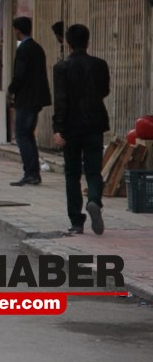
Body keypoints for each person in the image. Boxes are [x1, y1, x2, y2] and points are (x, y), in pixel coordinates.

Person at [52, 24, 110, 236]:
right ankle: (94, 200)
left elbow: (61, 100)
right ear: (87, 42)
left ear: (67, 44)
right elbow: (104, 91)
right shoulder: (100, 65)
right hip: (95, 124)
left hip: (70, 126)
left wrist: (57, 128)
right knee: (93, 170)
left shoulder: (61, 68)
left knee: (72, 173)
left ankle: (76, 221)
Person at [7, 16, 52, 187]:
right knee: (28, 135)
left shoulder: (24, 49)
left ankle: (30, 173)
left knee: (22, 136)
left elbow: (20, 75)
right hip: (36, 99)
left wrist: (11, 89)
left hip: (26, 99)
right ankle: (33, 173)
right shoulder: (37, 48)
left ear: (17, 30)